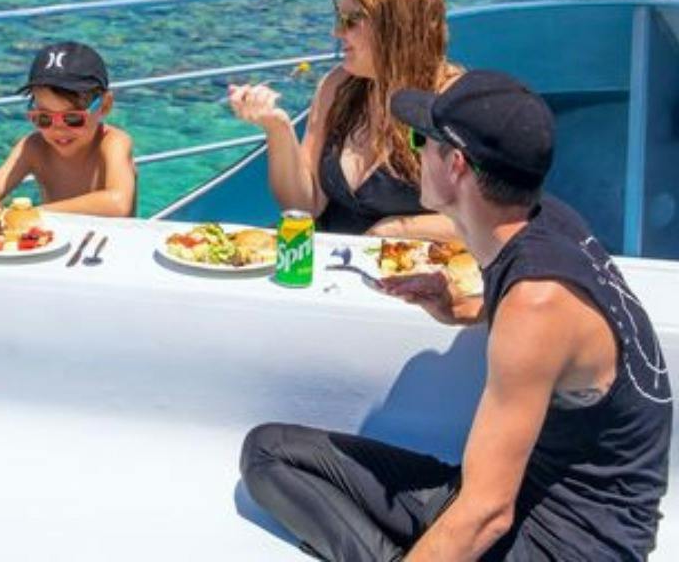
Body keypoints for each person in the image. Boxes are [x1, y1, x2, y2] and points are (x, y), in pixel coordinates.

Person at [241, 70, 672, 560]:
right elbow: (558, 337)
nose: (414, 152)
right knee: (268, 453)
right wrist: (459, 306)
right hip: (528, 502)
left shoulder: (539, 303)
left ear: (457, 166)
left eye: (421, 140)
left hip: (572, 545)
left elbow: (488, 514)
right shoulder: (542, 222)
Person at [227, 0, 460, 239]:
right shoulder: (339, 86)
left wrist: (396, 231)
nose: (337, 32)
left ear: (396, 24)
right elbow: (304, 206)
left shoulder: (453, 100)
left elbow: (494, 222)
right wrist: (277, 127)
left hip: (410, 276)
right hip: (331, 272)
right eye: (339, 18)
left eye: (351, 21)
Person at [0, 41, 136, 217]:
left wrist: (32, 213)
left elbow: (118, 204)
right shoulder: (34, 147)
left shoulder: (113, 142)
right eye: (44, 118)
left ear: (104, 106)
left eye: (73, 117)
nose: (58, 129)